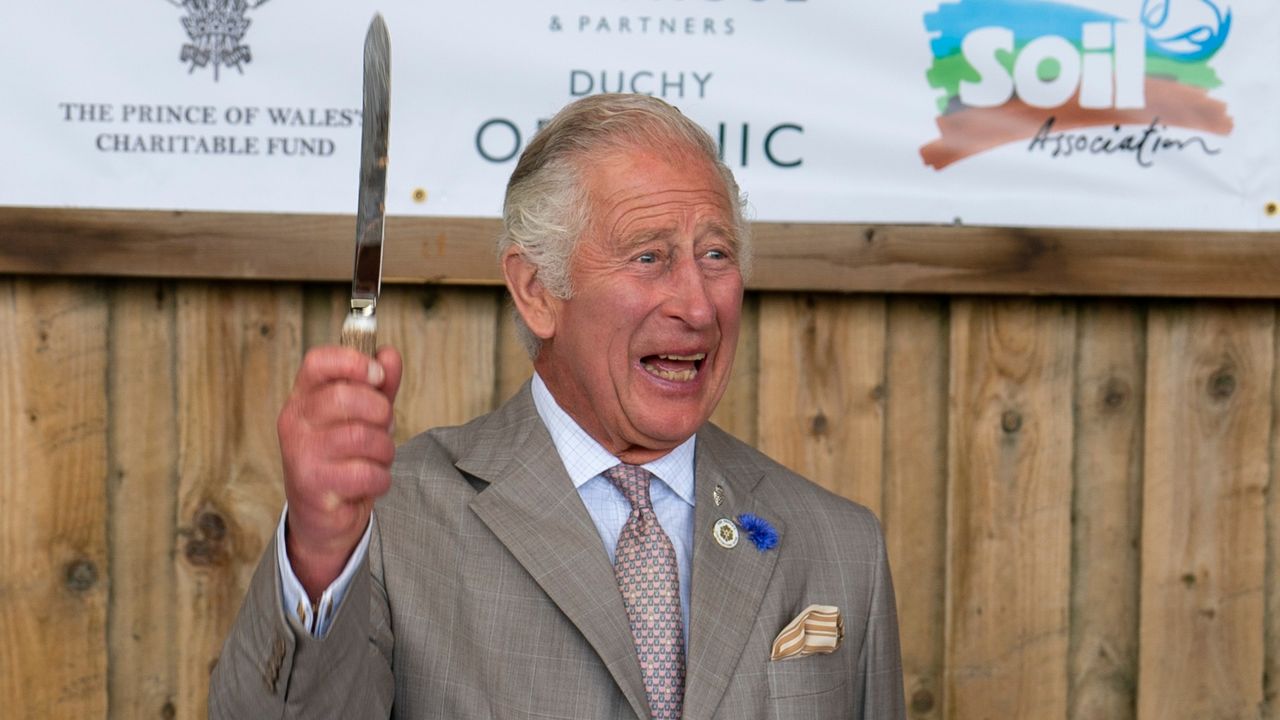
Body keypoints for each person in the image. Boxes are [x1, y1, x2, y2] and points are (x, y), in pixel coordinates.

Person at [209, 93, 904, 719]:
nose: (697, 305)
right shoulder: (394, 526)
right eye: (649, 257)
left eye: (716, 254)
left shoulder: (841, 548)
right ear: (538, 290)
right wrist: (321, 557)